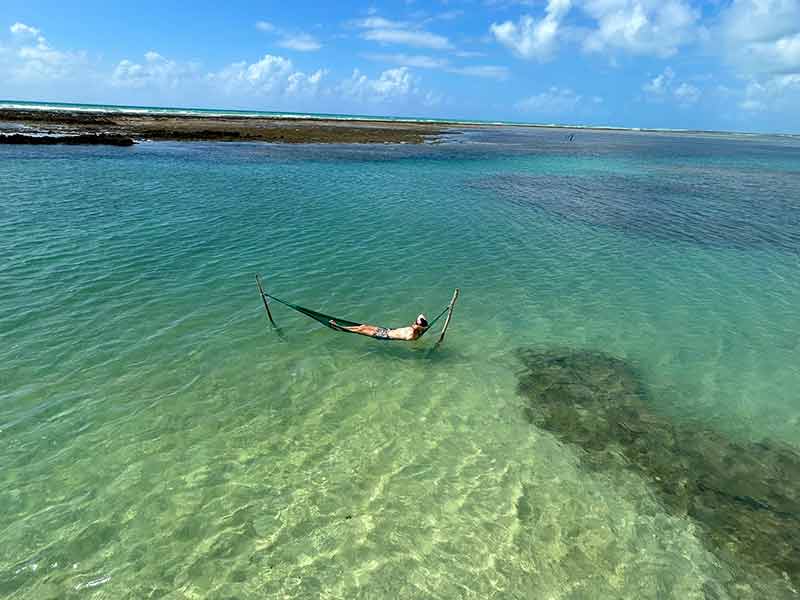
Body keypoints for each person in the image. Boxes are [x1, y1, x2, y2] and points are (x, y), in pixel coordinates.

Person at [329, 314, 429, 341]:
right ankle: (343, 327)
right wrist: (423, 324)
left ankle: (339, 327)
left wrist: (419, 326)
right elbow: (421, 315)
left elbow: (417, 327)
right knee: (363, 326)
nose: (414, 323)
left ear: (418, 327)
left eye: (416, 323)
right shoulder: (415, 329)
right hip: (386, 330)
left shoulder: (412, 335)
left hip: (384, 336)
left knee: (360, 330)